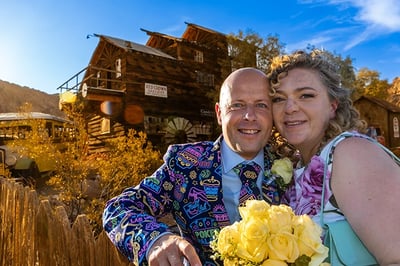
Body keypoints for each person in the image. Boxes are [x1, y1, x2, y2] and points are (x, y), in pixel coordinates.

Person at [102, 67, 285, 266]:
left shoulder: (294, 168)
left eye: (261, 105)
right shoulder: (184, 164)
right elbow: (118, 209)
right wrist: (155, 239)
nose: (250, 115)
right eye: (237, 105)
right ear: (219, 113)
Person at [267, 50, 400, 265]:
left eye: (306, 95)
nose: (290, 108)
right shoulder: (299, 166)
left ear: (332, 106)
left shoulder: (351, 154)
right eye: (279, 99)